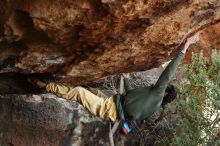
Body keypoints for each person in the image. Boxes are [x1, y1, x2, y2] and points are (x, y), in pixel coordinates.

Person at [30, 33, 200, 123]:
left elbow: (168, 72)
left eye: (165, 87)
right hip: (111, 104)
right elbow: (132, 100)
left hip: (109, 109)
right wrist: (125, 79)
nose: (163, 85)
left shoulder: (157, 94)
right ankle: (50, 86)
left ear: (165, 93)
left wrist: (186, 45)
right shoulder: (154, 107)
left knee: (79, 93)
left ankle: (46, 85)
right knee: (91, 90)